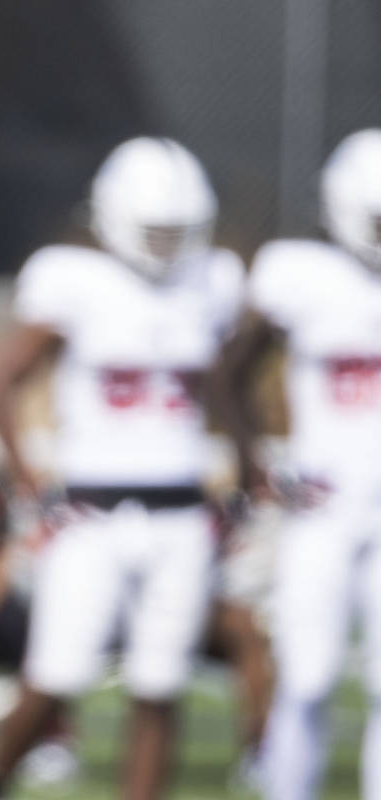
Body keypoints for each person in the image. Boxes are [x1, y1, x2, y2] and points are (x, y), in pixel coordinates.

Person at [0, 137, 245, 800]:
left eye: (177, 231)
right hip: (91, 510)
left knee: (160, 683)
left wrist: (244, 460)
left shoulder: (212, 280)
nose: (165, 244)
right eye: (154, 230)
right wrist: (26, 476)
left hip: (182, 512)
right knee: (57, 672)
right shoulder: (72, 279)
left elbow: (222, 385)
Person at [221, 128, 381, 800]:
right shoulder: (301, 273)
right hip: (323, 505)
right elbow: (229, 371)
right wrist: (255, 459)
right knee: (307, 674)